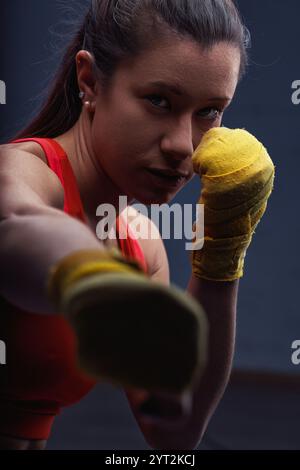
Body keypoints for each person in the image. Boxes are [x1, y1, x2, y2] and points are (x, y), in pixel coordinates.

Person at [0, 0, 275, 450]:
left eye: (209, 112)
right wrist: (91, 275)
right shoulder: (22, 172)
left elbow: (174, 432)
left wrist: (223, 254)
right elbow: (18, 224)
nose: (182, 145)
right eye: (159, 101)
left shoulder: (140, 244)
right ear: (88, 80)